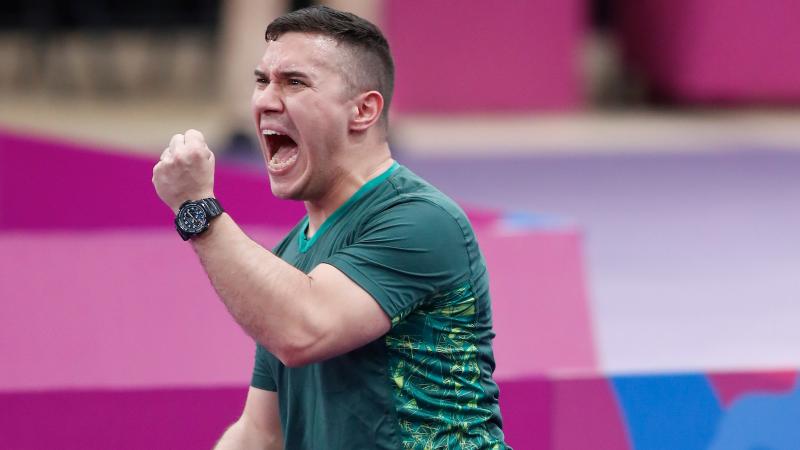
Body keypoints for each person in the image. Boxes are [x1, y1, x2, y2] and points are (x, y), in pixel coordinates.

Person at [152, 6, 509, 449]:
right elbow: (260, 434)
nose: (265, 100)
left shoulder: (422, 220)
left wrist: (196, 209)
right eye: (262, 81)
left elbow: (304, 329)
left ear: (363, 110)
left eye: (294, 82)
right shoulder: (290, 256)